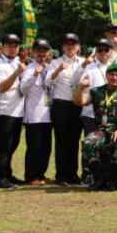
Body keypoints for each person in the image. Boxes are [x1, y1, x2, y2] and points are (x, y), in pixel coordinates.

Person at [75, 62, 117, 191]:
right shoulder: (97, 91)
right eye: (111, 75)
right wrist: (80, 88)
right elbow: (80, 102)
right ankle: (98, 178)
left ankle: (113, 180)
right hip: (100, 130)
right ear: (106, 76)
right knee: (88, 143)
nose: (114, 78)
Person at [46, 33, 84, 186]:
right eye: (67, 44)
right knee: (61, 141)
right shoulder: (55, 62)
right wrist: (57, 70)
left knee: (74, 140)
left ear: (78, 47)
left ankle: (73, 174)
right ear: (62, 47)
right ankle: (61, 175)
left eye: (73, 44)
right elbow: (47, 82)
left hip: (77, 105)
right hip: (61, 104)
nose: (70, 47)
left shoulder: (84, 62)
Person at [0, 34, 26, 188]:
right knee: (3, 146)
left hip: (17, 110)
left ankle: (8, 174)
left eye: (15, 46)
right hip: (3, 111)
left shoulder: (17, 62)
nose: (12, 49)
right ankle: (1, 177)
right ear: (2, 48)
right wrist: (16, 73)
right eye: (9, 46)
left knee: (13, 144)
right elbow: (2, 87)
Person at [19, 39, 53, 186]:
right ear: (33, 52)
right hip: (34, 115)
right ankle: (31, 176)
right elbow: (23, 89)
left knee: (46, 148)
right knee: (34, 148)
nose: (41, 54)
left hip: (48, 115)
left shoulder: (49, 68)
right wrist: (34, 75)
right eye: (38, 51)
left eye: (44, 51)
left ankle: (41, 174)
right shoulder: (29, 69)